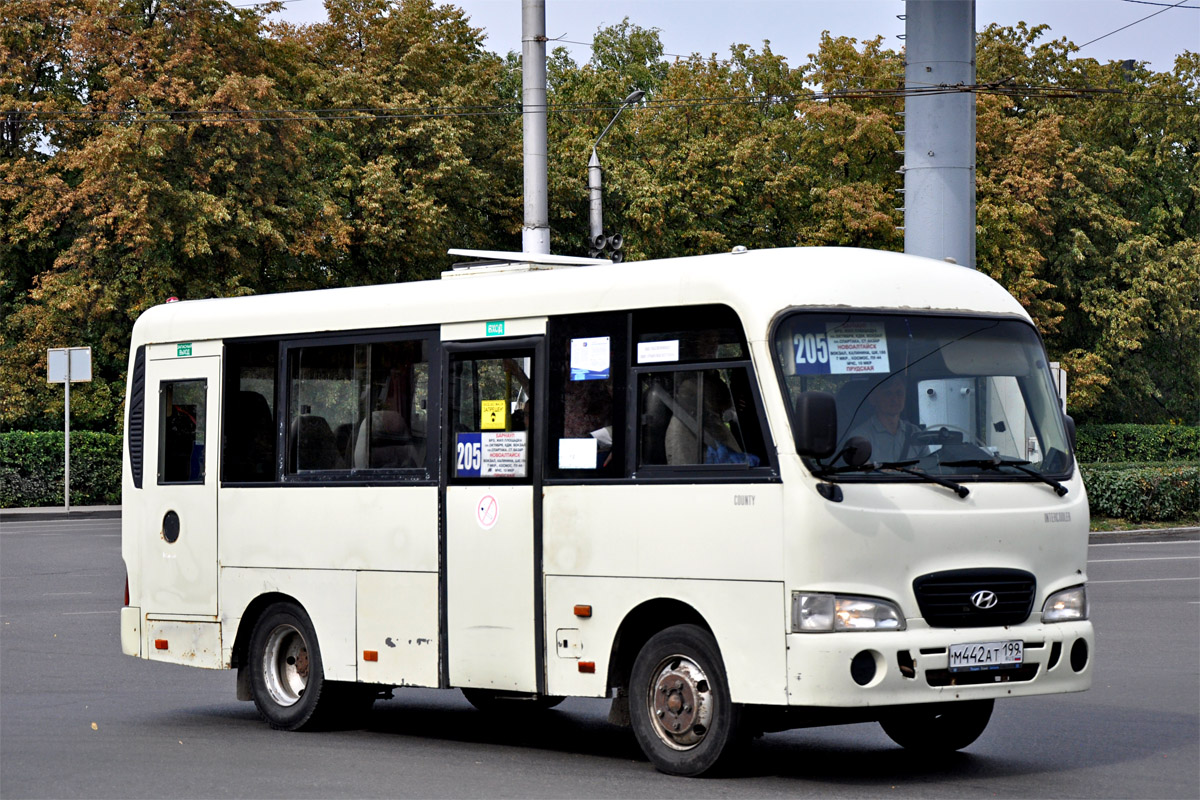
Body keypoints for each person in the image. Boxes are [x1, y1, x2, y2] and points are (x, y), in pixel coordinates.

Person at [849, 377, 922, 463]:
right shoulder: (860, 437)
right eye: (888, 393)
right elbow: (860, 474)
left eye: (899, 393)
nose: (894, 399)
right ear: (873, 399)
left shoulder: (916, 433)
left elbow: (931, 468)